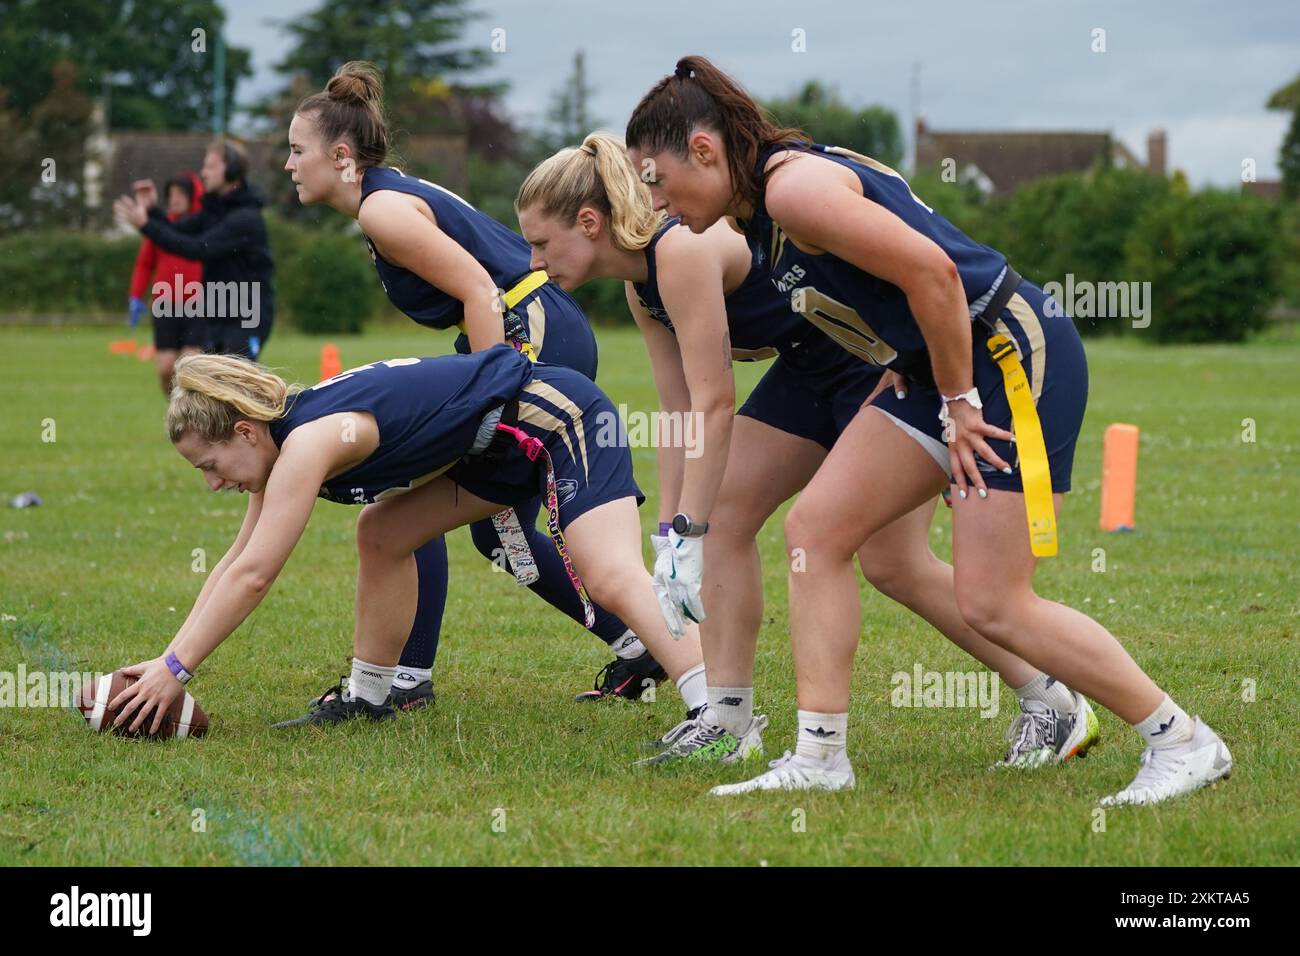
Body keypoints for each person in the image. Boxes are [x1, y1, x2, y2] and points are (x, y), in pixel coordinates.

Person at [624, 55, 1232, 806]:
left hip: (1006, 358)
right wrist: (904, 370)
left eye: (655, 178)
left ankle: (1182, 740)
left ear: (706, 152)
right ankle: (820, 759)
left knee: (995, 601)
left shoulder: (793, 191)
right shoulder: (765, 212)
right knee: (815, 531)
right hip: (939, 369)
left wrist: (958, 402)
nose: (653, 200)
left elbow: (936, 273)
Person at [516, 132, 1096, 770]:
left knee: (892, 562)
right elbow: (678, 410)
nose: (534, 262)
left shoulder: (678, 249)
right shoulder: (640, 286)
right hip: (808, 369)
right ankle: (726, 720)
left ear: (591, 223)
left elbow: (713, 401)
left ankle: (1052, 700)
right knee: (727, 513)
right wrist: (669, 533)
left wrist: (687, 527)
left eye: (541, 243)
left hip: (867, 367)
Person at [282, 61, 687, 715]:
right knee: (487, 528)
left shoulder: (384, 208)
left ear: (341, 154)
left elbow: (477, 289)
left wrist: (485, 388)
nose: (289, 164)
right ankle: (635, 642)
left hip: (527, 336)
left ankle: (406, 680)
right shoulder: (387, 197)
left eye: (297, 150)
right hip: (536, 328)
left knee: (428, 504)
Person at [108, 348, 703, 737]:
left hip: (556, 416)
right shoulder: (281, 441)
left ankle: (719, 713)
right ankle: (370, 698)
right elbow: (235, 562)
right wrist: (167, 660)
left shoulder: (307, 443)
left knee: (607, 572)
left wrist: (179, 670)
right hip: (493, 447)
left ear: (244, 430)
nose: (214, 484)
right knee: (385, 531)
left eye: (210, 465)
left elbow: (256, 575)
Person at [112, 139, 276, 361]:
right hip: (217, 314)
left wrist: (145, 225)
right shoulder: (214, 210)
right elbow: (176, 229)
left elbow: (197, 248)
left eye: (209, 166)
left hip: (246, 318)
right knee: (209, 389)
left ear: (230, 170)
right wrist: (152, 212)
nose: (203, 173)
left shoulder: (244, 218)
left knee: (235, 387)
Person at [127, 172, 205, 394]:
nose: (175, 199)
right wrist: (135, 297)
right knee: (165, 368)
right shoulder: (160, 229)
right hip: (165, 305)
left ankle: (192, 418)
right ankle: (176, 412)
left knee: (191, 365)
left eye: (180, 194)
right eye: (171, 194)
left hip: (196, 305)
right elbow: (144, 265)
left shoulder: (203, 228)